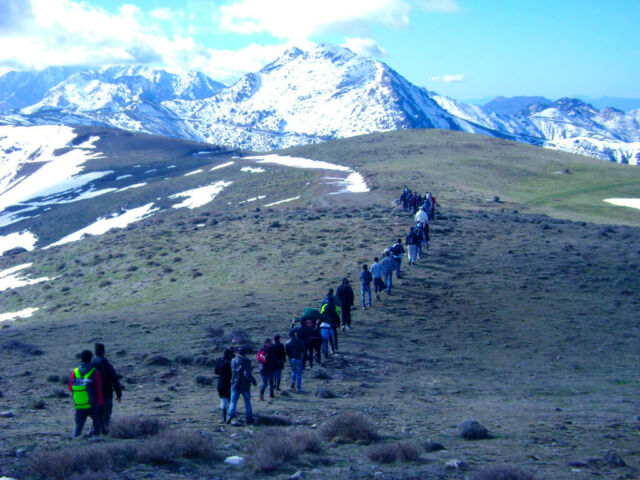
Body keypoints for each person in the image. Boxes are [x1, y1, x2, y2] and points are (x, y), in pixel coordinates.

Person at [68, 349, 103, 438]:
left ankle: (74, 441)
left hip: (79, 404)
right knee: (96, 422)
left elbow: (70, 388)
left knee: (78, 426)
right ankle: (96, 441)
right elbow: (99, 388)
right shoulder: (95, 371)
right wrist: (100, 402)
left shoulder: (75, 371)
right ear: (91, 358)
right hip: (93, 404)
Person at [90, 343, 122, 436]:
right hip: (106, 395)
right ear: (104, 352)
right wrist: (118, 394)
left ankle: (96, 434)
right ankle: (105, 433)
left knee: (96, 417)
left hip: (94, 396)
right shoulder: (107, 365)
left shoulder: (91, 365)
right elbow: (114, 380)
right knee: (106, 416)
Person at [227, 345, 257, 424]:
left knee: (233, 402)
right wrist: (253, 381)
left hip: (234, 384)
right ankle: (249, 418)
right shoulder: (246, 362)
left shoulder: (233, 360)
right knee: (247, 403)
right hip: (244, 385)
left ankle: (230, 415)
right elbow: (247, 374)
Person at [214, 347, 235, 422]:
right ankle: (230, 415)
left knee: (223, 400)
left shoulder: (220, 361)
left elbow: (216, 371)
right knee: (231, 399)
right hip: (231, 382)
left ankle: (224, 417)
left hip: (221, 382)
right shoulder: (233, 361)